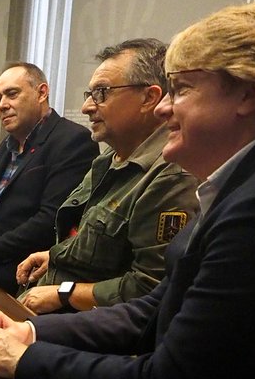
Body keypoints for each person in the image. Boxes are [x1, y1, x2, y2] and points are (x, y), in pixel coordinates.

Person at [0, 1, 255, 379]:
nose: (165, 109)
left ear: (249, 94)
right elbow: (156, 308)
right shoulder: (247, 180)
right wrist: (31, 331)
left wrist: (25, 360)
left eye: (181, 89)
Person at [13, 40, 198, 314]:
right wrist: (53, 256)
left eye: (101, 93)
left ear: (149, 98)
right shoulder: (108, 159)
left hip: (92, 329)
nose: (87, 106)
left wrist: (66, 293)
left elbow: (150, 287)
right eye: (90, 93)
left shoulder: (169, 175)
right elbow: (92, 239)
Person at [0, 63, 98, 292]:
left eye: (12, 94)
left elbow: (49, 221)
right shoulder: (6, 146)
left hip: (19, 270)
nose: (2, 105)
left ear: (41, 92)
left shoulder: (72, 140)